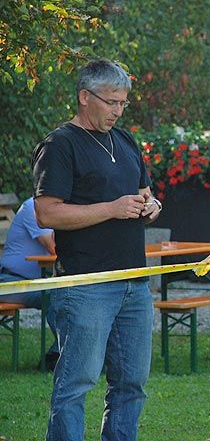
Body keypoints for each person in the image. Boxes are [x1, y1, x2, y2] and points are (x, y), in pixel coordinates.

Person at [32, 59, 162, 441]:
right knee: (76, 384)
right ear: (85, 97)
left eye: (123, 103)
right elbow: (46, 213)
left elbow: (145, 195)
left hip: (134, 282)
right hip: (85, 285)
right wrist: (112, 209)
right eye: (111, 102)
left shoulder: (126, 141)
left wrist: (151, 207)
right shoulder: (59, 145)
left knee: (132, 384)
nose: (118, 111)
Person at [0, 196, 55, 307]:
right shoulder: (33, 206)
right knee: (60, 296)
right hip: (9, 282)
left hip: (34, 282)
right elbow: (53, 246)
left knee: (66, 294)